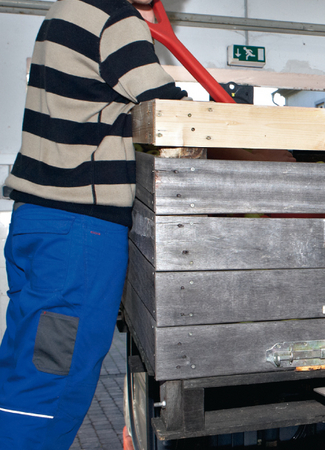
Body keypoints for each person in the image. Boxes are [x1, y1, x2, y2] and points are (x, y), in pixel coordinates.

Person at [0, 0, 187, 448]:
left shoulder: (66, 10)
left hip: (38, 222)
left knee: (24, 375)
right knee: (52, 385)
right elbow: (173, 114)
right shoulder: (114, 16)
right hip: (78, 232)